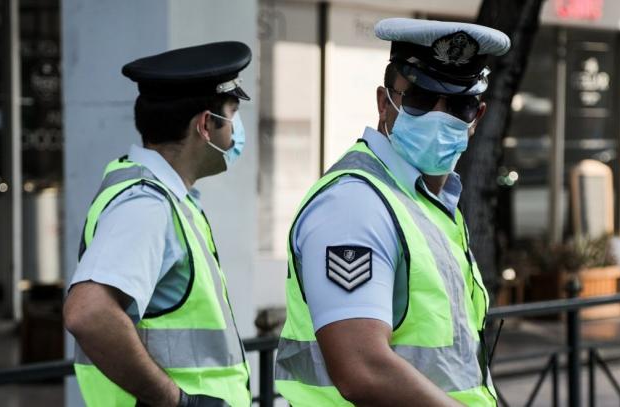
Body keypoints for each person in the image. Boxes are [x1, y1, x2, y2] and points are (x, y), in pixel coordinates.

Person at [274, 18, 511, 406]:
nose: (439, 117)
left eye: (459, 106)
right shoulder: (355, 204)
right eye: (420, 99)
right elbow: (362, 368)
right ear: (385, 103)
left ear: (477, 117)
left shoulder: (426, 201)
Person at [64, 41, 252, 407]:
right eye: (233, 114)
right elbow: (88, 312)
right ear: (205, 125)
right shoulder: (146, 206)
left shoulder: (166, 199)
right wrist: (176, 402)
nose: (236, 131)